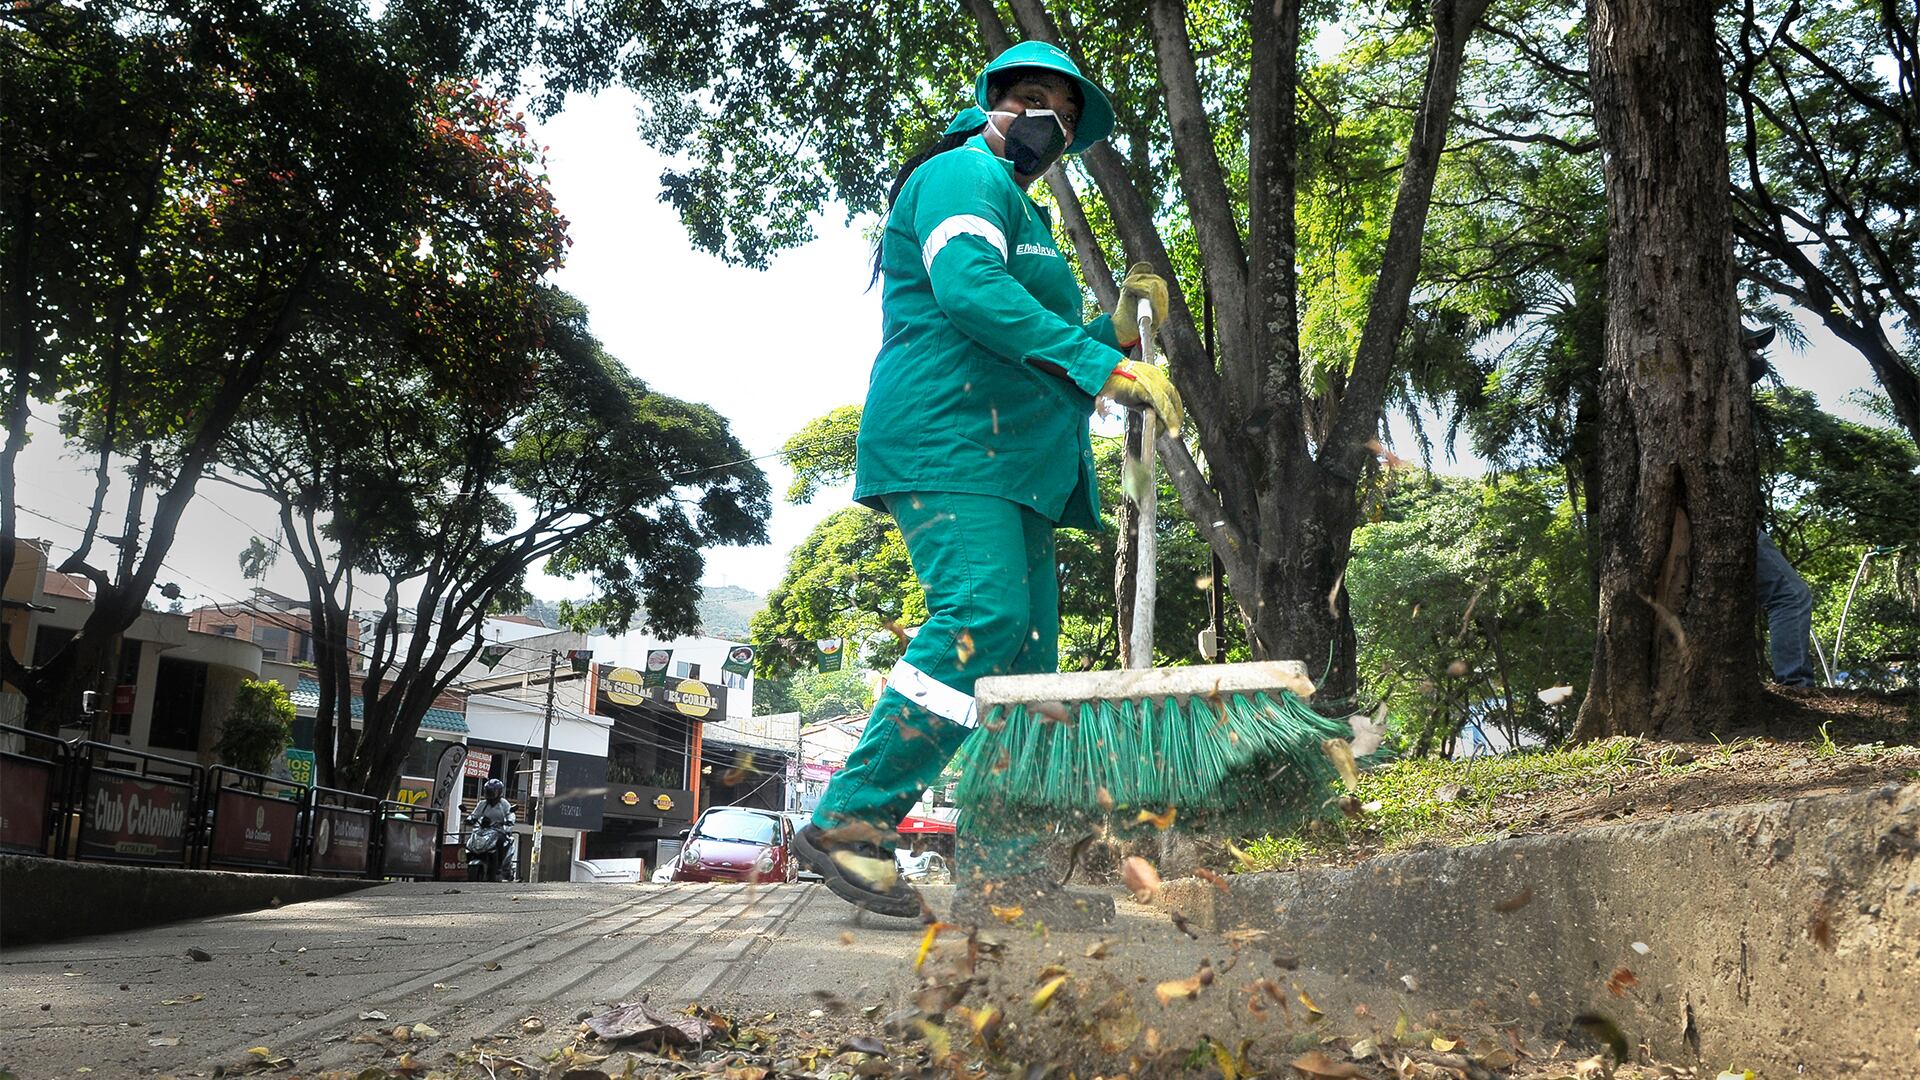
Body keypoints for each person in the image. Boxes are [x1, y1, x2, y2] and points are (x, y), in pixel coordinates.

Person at [790, 41, 1182, 927]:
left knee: (1027, 679)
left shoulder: (1025, 217)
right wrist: (1102, 368)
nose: (1056, 125)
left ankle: (1014, 880)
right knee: (979, 623)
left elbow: (1029, 328)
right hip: (953, 441)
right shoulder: (963, 175)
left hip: (1019, 469)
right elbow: (967, 290)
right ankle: (851, 819)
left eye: (1070, 119)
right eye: (1043, 101)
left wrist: (1112, 336)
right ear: (999, 101)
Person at [1745, 325, 1819, 687]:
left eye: (1759, 346)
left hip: (1733, 517)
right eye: (1750, 346)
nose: (1758, 352)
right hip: (1728, 521)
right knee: (1790, 595)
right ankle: (1794, 683)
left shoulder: (1733, 400)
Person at [466, 778, 518, 879]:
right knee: (470, 842)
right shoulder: (482, 804)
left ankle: (499, 865)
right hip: (483, 830)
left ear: (499, 792)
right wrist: (470, 819)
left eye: (493, 792)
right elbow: (475, 814)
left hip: (499, 830)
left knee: (500, 842)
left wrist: (509, 821)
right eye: (488, 792)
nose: (490, 794)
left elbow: (510, 813)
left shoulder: (504, 804)